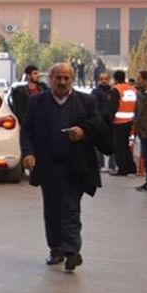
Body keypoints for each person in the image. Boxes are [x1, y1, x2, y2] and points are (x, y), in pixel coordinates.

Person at [20, 63, 110, 272]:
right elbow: (27, 131)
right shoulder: (37, 102)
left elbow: (98, 127)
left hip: (75, 166)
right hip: (48, 166)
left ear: (72, 79)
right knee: (52, 209)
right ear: (50, 79)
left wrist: (83, 132)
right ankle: (56, 249)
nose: (62, 82)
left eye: (66, 78)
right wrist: (28, 153)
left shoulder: (86, 102)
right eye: (58, 78)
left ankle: (71, 251)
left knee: (70, 208)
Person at [109, 70, 138, 176]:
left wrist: (110, 121)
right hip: (130, 121)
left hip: (119, 122)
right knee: (127, 146)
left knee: (119, 147)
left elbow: (113, 106)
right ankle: (131, 167)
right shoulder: (132, 89)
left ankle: (122, 169)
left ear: (115, 79)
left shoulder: (116, 90)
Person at [90, 72, 117, 170]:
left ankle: (112, 165)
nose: (104, 81)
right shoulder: (95, 92)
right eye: (101, 79)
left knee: (113, 143)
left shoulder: (113, 91)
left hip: (111, 121)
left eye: (106, 79)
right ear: (98, 80)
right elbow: (91, 106)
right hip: (100, 121)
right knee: (99, 142)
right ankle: (99, 164)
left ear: (109, 80)